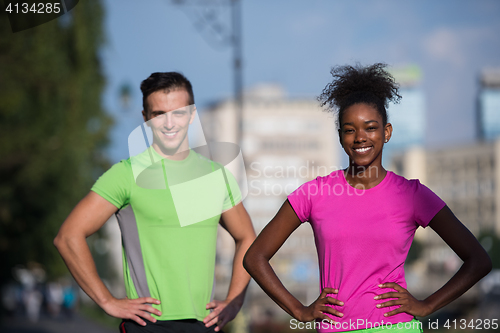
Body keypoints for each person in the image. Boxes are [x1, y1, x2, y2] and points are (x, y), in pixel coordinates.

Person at [243, 63, 492, 333]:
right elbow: (255, 257)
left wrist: (427, 305)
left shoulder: (412, 195)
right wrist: (299, 310)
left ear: (387, 132)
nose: (360, 137)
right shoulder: (314, 193)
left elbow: (478, 260)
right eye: (349, 130)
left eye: (370, 127)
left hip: (396, 328)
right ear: (340, 137)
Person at [54, 72, 255, 333]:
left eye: (179, 113)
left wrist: (234, 301)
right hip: (148, 325)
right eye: (159, 114)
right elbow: (68, 237)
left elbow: (248, 238)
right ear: (146, 118)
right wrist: (107, 301)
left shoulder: (216, 177)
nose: (169, 123)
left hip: (204, 325)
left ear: (192, 115)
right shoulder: (126, 174)